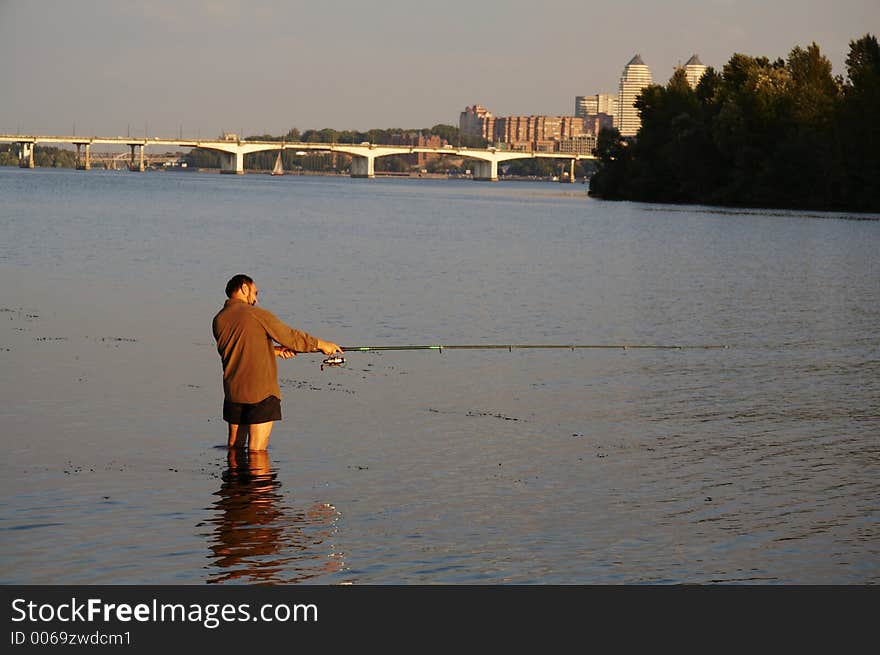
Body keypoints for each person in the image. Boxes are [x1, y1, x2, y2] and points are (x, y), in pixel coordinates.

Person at [212, 274, 342, 451]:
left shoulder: (219, 319)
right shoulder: (256, 314)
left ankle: (233, 479)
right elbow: (291, 337)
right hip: (261, 394)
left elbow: (238, 349)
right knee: (257, 451)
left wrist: (274, 351)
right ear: (244, 288)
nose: (256, 300)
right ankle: (260, 480)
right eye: (255, 293)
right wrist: (321, 345)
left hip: (233, 392)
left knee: (235, 447)